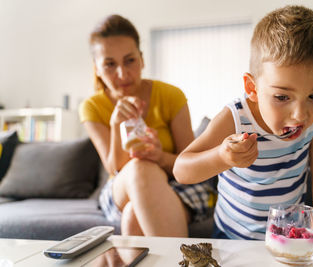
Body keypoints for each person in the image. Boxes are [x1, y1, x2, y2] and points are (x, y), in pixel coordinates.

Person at [173, 5, 313, 265]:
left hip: (288, 238)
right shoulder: (236, 117)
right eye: (282, 97)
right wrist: (222, 157)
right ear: (252, 88)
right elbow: (182, 170)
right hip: (231, 239)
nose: (300, 115)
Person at [79, 14, 213, 237]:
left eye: (129, 60)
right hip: (122, 186)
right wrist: (116, 124)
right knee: (139, 167)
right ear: (97, 69)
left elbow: (192, 168)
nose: (122, 74)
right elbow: (115, 169)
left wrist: (160, 157)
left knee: (134, 215)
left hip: (177, 184)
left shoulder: (171, 96)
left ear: (142, 59)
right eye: (110, 64)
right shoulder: (92, 107)